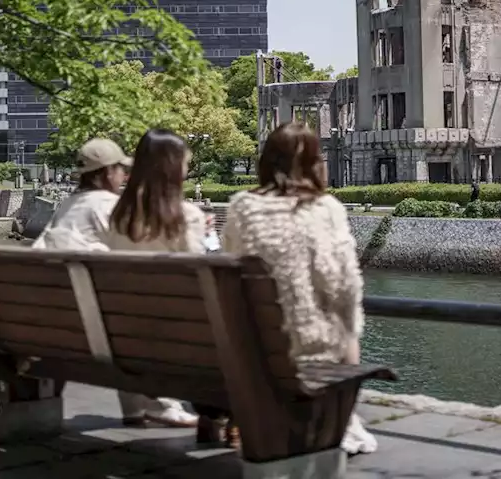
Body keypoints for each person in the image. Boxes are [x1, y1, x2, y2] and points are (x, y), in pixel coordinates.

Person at [217, 122, 378, 455]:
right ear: (314, 163)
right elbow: (344, 288)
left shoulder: (241, 207)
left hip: (253, 347)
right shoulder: (324, 208)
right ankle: (340, 418)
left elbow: (229, 270)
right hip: (308, 348)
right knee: (347, 329)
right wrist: (349, 330)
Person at [100, 129, 206, 428]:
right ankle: (164, 404)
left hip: (119, 327)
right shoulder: (185, 216)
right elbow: (197, 276)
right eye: (185, 163)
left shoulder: (118, 215)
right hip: (172, 329)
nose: (187, 170)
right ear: (173, 167)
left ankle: (135, 405)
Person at [31, 138, 130, 251]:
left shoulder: (67, 205)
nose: (124, 174)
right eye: (122, 168)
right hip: (98, 267)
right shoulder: (112, 205)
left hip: (54, 267)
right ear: (109, 172)